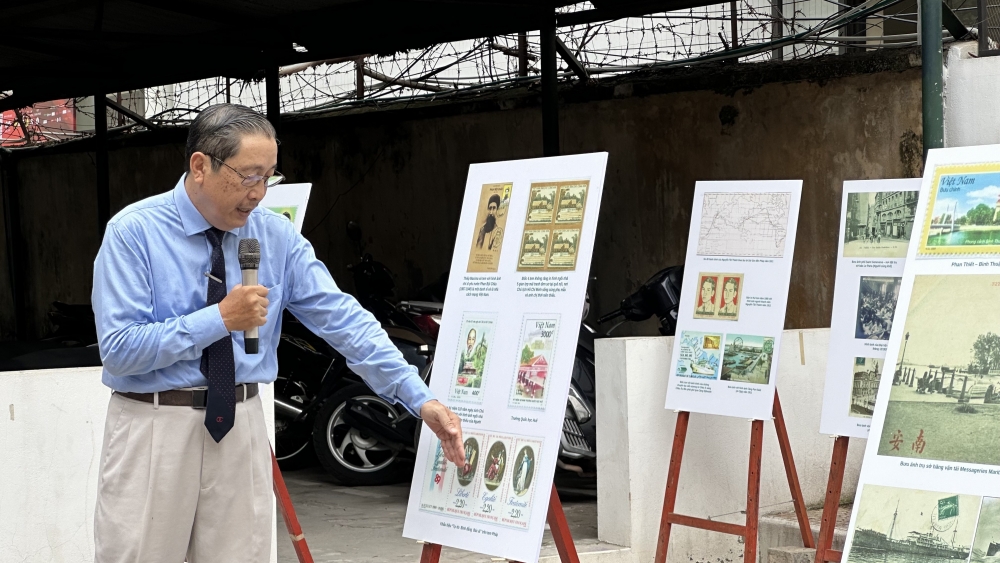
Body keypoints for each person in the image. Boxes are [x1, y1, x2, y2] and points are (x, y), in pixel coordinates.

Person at [91, 103, 465, 563]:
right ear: (200, 166)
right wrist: (219, 319)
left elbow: (343, 319)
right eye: (248, 176)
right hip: (154, 426)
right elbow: (120, 349)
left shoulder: (275, 236)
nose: (258, 193)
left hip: (241, 422)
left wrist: (417, 397)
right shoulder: (134, 233)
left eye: (269, 177)